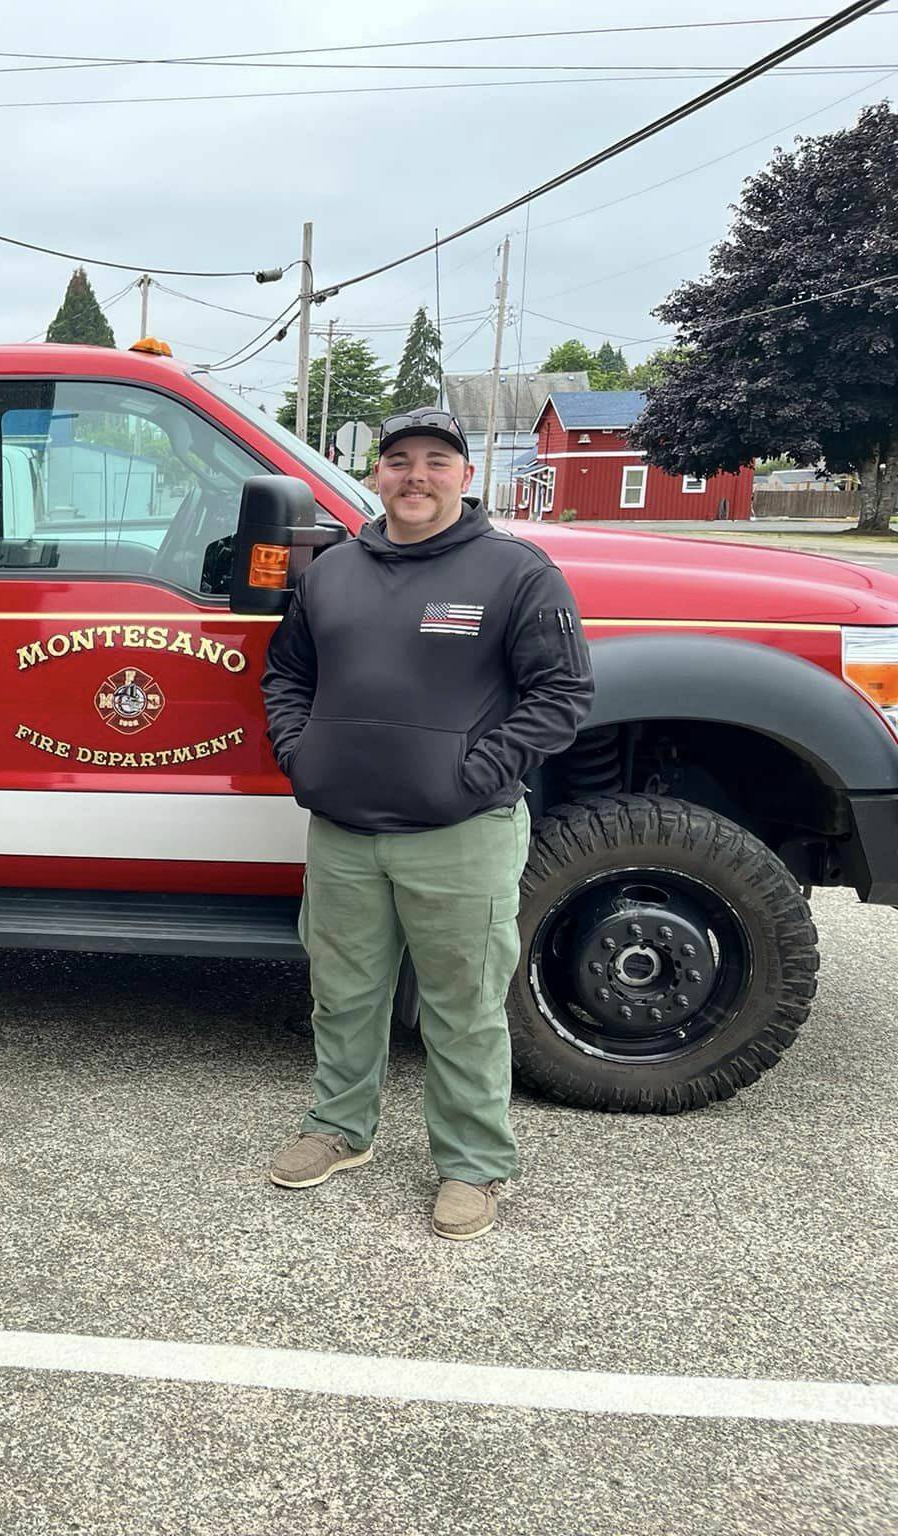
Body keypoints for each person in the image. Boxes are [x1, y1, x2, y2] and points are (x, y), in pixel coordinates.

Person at [260, 406, 594, 1240]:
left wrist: (472, 773)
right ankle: (339, 1128)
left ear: (466, 476)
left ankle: (474, 1166)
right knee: (342, 992)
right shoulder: (332, 572)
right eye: (399, 460)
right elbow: (286, 676)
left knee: (464, 1004)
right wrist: (303, 756)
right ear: (377, 474)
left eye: (436, 462)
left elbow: (562, 696)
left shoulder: (516, 573)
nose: (416, 476)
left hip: (461, 832)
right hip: (343, 830)